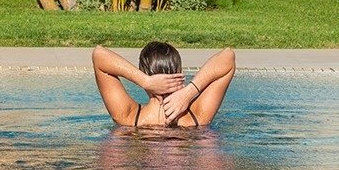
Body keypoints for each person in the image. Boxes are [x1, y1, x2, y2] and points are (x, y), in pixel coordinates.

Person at [91, 43, 237, 128]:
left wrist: (145, 81)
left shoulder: (128, 117)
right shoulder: (197, 116)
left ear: (143, 72)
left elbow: (99, 55)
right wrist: (190, 90)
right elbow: (228, 57)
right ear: (179, 72)